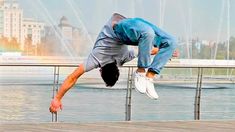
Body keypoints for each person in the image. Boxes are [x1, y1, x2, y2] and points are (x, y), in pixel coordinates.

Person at [49, 13, 177, 113]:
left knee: (158, 37)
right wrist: (164, 53)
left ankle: (143, 73)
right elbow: (72, 77)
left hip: (120, 27)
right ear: (100, 71)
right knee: (167, 41)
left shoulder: (99, 59)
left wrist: (58, 98)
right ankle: (147, 75)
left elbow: (73, 77)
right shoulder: (109, 59)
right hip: (133, 28)